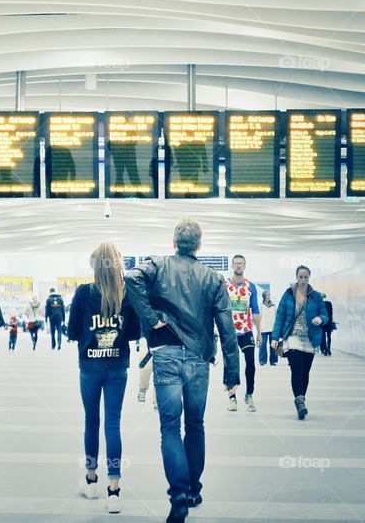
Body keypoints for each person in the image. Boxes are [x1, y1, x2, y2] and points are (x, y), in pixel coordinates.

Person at [125, 218, 239, 523]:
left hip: (166, 356)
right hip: (199, 359)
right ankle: (193, 490)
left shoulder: (158, 265)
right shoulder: (213, 279)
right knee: (196, 425)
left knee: (170, 428)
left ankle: (177, 496)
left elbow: (131, 278)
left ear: (174, 242)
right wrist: (232, 375)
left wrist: (151, 318)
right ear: (199, 245)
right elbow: (227, 330)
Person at [67, 242, 140, 514]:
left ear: (94, 266)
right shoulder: (127, 293)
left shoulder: (84, 293)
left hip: (89, 367)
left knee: (91, 421)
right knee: (113, 424)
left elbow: (73, 331)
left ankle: (90, 479)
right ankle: (114, 491)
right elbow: (134, 333)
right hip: (118, 366)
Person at [271, 265, 328, 420]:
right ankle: (300, 401)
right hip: (293, 338)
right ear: (296, 277)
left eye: (305, 277)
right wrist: (275, 337)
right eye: (300, 277)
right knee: (296, 370)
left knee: (305, 373)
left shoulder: (315, 296)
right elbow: (280, 317)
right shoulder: (288, 294)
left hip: (310, 339)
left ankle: (301, 398)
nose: (303, 280)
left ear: (309, 278)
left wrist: (320, 319)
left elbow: (325, 315)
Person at [224, 254, 261, 413]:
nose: (238, 266)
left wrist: (259, 332)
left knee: (251, 363)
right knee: (231, 366)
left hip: (246, 331)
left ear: (245, 266)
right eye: (236, 263)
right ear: (232, 266)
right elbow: (218, 308)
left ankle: (250, 394)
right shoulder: (225, 285)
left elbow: (256, 310)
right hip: (229, 332)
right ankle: (232, 399)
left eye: (241, 263)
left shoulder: (250, 286)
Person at [258, 290, 278, 366]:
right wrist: (258, 329)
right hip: (263, 328)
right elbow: (259, 317)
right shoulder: (261, 306)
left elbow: (276, 316)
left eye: (269, 295)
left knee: (273, 345)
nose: (269, 296)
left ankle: (273, 361)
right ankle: (262, 361)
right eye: (267, 295)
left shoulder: (273, 305)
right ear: (264, 296)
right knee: (262, 345)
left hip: (273, 328)